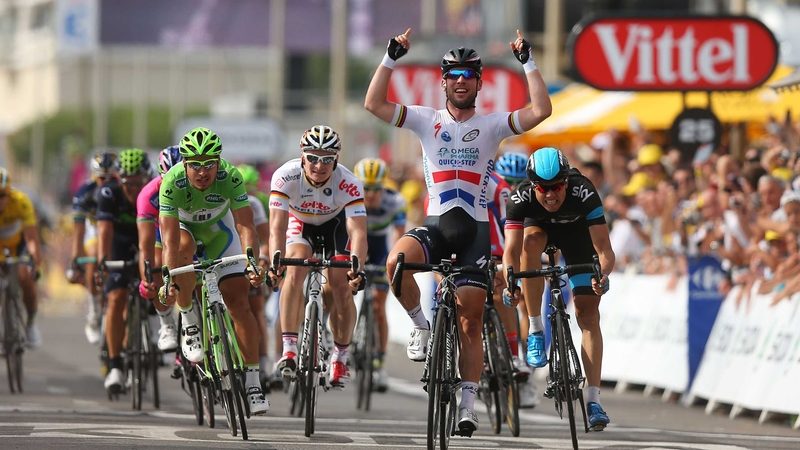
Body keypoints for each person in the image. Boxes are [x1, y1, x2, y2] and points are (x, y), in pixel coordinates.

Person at [364, 27, 552, 433]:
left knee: (470, 322)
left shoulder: (493, 125)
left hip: (475, 233)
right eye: (454, 75)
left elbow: (541, 111)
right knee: (396, 263)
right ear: (444, 83)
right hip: (435, 225)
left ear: (480, 83)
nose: (462, 81)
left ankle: (467, 403)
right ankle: (420, 324)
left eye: (469, 75)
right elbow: (373, 104)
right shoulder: (425, 119)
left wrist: (528, 62)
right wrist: (391, 55)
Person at [502, 147, 615, 431]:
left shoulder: (584, 191)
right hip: (538, 231)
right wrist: (511, 281)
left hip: (578, 239)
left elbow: (604, 250)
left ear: (567, 181)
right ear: (532, 185)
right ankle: (537, 329)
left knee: (587, 315)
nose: (551, 194)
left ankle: (593, 399)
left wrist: (602, 275)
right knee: (529, 245)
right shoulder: (521, 197)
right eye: (543, 188)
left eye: (557, 187)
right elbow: (510, 252)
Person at [158, 127, 269, 415]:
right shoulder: (172, 183)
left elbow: (246, 226)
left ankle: (254, 382)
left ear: (219, 162)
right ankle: (189, 320)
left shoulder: (230, 176)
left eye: (209, 163)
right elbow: (168, 239)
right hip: (184, 234)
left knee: (240, 302)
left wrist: (253, 263)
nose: (202, 171)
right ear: (184, 164)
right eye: (195, 164)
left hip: (221, 234)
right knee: (181, 245)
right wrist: (169, 279)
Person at [267, 125, 368, 391]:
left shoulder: (348, 182)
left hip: (335, 228)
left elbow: (357, 232)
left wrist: (356, 270)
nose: (319, 165)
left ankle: (340, 357)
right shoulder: (285, 176)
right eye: (313, 157)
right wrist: (275, 264)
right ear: (302, 156)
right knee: (293, 269)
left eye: (327, 158)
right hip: (301, 225)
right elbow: (276, 228)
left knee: (340, 285)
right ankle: (288, 348)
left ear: (336, 158)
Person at [95, 149, 152, 394]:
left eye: (139, 182)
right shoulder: (109, 192)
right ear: (120, 179)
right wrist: (102, 262)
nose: (133, 188)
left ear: (147, 177)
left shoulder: (154, 192)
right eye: (128, 182)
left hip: (148, 241)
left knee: (156, 283)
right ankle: (115, 363)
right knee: (116, 297)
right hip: (119, 244)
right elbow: (104, 232)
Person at [353, 157, 407, 392]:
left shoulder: (395, 201)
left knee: (378, 306)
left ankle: (379, 362)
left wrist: (393, 264)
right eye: (365, 188)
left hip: (380, 250)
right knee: (339, 293)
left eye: (376, 189)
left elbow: (399, 237)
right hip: (355, 247)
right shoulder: (350, 198)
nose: (371, 194)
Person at [136, 146, 183, 352]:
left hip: (192, 225)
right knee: (156, 268)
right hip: (159, 229)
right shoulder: (149, 194)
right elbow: (145, 245)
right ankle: (166, 324)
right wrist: (147, 279)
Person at [69, 152, 118, 345]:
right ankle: (94, 311)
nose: (105, 182)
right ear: (93, 176)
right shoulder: (85, 194)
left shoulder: (123, 189)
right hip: (94, 230)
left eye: (110, 178)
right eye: (101, 178)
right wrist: (75, 257)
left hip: (117, 229)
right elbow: (79, 230)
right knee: (94, 256)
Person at [236, 163, 273, 390]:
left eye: (250, 189)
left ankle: (262, 365)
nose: (246, 194)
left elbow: (268, 238)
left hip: (252, 256)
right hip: (229, 255)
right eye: (243, 189)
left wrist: (264, 261)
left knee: (256, 309)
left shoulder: (258, 203)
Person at [0, 168, 43, 349]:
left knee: (25, 275)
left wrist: (32, 261)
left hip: (19, 244)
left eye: (2, 195)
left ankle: (31, 322)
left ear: (9, 192)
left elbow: (32, 239)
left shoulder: (21, 202)